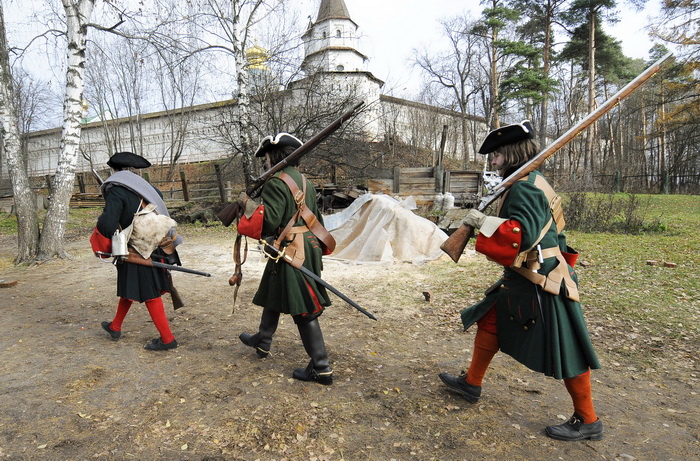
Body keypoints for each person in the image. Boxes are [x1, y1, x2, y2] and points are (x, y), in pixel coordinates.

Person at [438, 121, 604, 441]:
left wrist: (483, 221)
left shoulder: (525, 187)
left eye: (497, 155)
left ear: (511, 153)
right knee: (491, 319)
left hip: (540, 278)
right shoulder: (532, 181)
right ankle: (471, 383)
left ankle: (588, 419)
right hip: (530, 273)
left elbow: (522, 236)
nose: (493, 161)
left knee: (567, 347)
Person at [236, 133, 336, 385]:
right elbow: (315, 219)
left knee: (304, 309)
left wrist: (247, 206)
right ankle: (263, 339)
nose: (265, 161)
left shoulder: (276, 182)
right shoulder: (305, 181)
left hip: (291, 249)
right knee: (274, 290)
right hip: (305, 246)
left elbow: (269, 221)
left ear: (274, 155)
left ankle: (321, 367)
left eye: (267, 156)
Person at [90, 151, 182, 351]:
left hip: (137, 249)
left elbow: (107, 225)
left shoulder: (116, 189)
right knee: (129, 286)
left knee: (150, 293)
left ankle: (168, 339)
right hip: (156, 244)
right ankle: (115, 326)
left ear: (114, 170)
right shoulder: (147, 188)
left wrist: (102, 225)